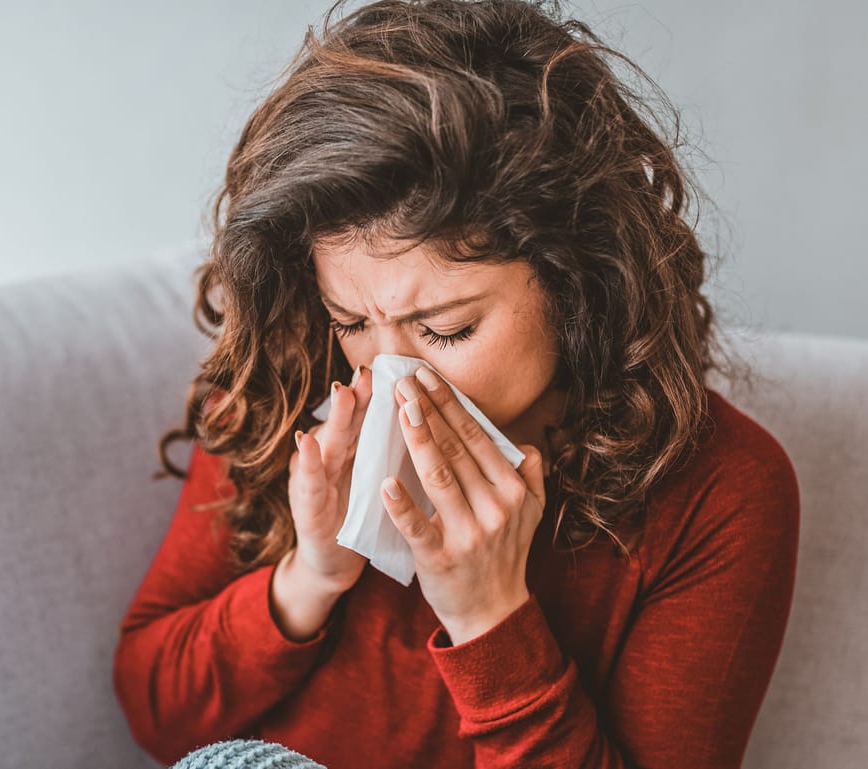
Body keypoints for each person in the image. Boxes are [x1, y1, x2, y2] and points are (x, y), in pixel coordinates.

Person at [112, 1, 800, 767]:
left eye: (446, 329)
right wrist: (309, 577)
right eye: (352, 320)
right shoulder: (289, 385)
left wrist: (489, 618)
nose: (389, 374)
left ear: (579, 287)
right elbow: (155, 714)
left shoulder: (720, 492)